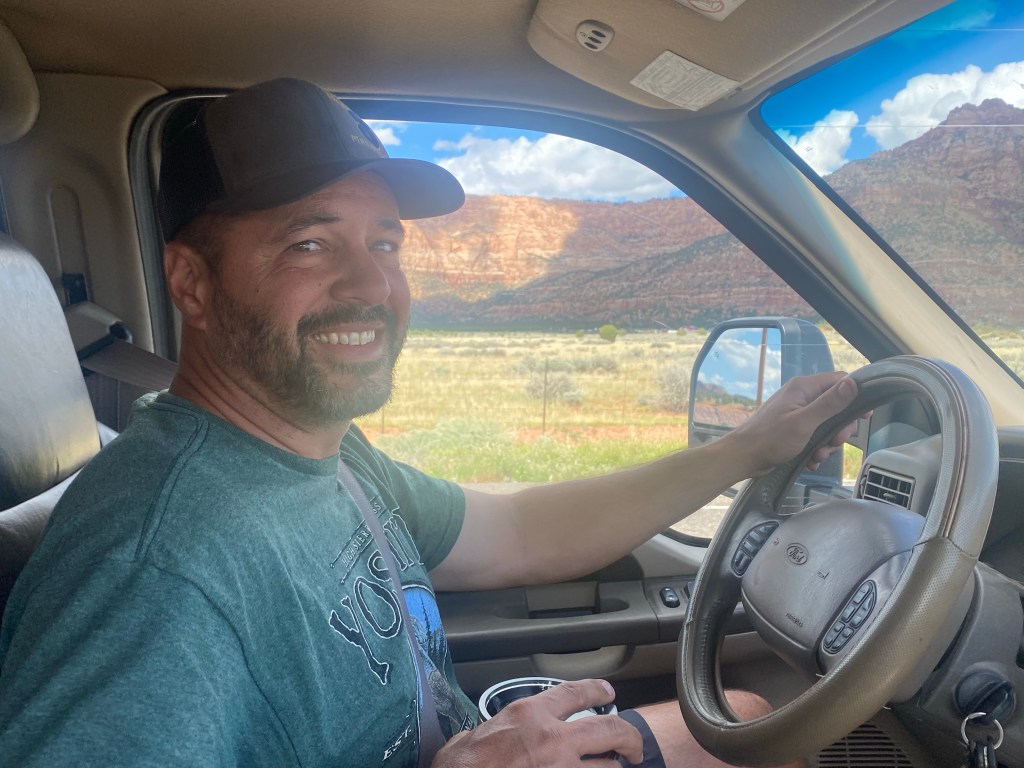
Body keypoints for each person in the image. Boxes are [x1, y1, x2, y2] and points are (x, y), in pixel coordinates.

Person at [0, 78, 857, 768]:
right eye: (309, 243)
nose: (371, 286)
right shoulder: (154, 573)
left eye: (385, 244)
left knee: (745, 722)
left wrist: (747, 449)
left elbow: (518, 533)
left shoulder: (328, 455)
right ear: (190, 282)